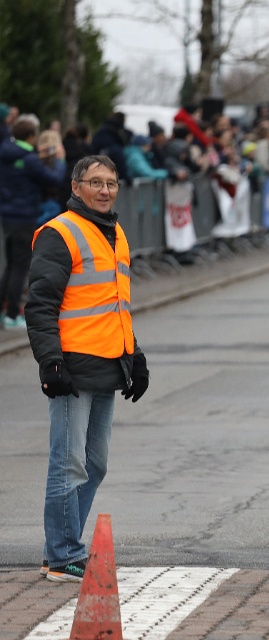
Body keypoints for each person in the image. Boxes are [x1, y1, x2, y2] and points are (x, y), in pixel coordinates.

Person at [25, 154, 150, 581]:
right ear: (76, 187)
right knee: (69, 463)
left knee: (95, 464)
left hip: (108, 363)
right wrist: (50, 361)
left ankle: (58, 550)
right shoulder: (60, 233)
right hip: (72, 367)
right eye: (95, 182)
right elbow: (40, 304)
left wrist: (135, 356)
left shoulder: (115, 234)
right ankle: (64, 554)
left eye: (111, 183)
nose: (104, 190)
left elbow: (115, 304)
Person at [0, 115, 66, 328]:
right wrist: (60, 161)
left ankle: (3, 311)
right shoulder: (30, 160)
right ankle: (12, 315)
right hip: (25, 216)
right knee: (20, 267)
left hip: (8, 215)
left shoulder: (6, 153)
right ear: (30, 136)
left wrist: (39, 155)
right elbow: (54, 179)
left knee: (11, 265)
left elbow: (24, 162)